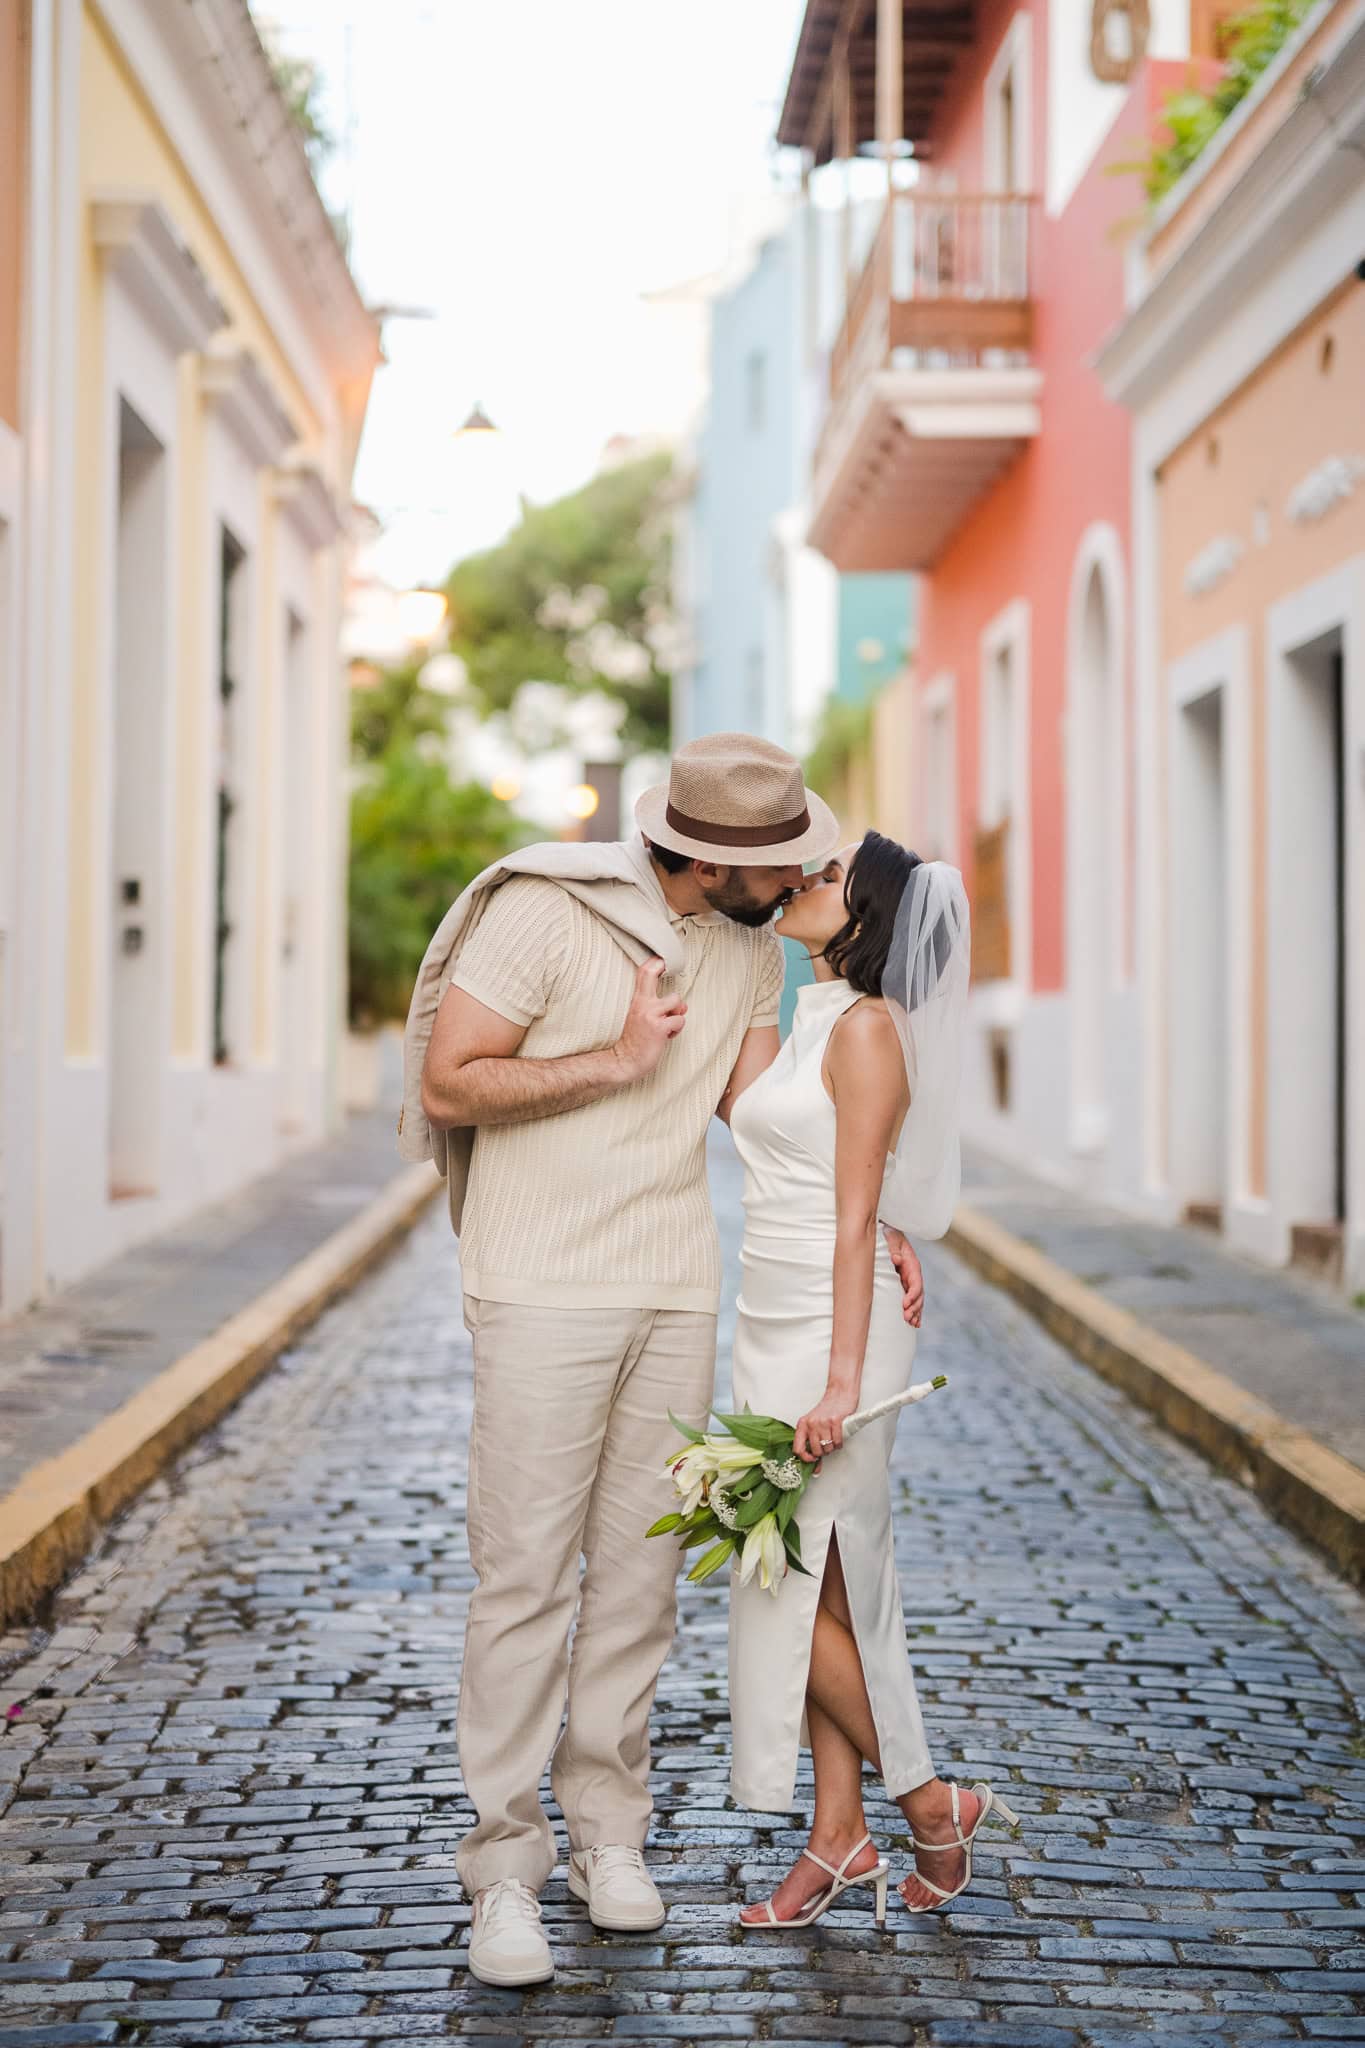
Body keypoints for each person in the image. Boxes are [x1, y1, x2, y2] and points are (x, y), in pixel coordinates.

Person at [400, 736, 925, 1987]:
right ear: (704, 856)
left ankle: (609, 1837)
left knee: (639, 1581)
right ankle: (507, 1871)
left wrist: (879, 1210)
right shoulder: (541, 912)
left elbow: (761, 1114)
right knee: (525, 1578)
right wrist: (620, 1062)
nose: (797, 873)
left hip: (677, 1289)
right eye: (776, 859)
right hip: (538, 1283)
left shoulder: (748, 950)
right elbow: (447, 1079)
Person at [722, 832, 1021, 1926]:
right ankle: (839, 1838)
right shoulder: (810, 1013)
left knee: (781, 1571)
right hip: (771, 1312)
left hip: (830, 1327)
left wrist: (842, 1379)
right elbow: (753, 1122)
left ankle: (927, 1800)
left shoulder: (869, 1031)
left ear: (868, 917)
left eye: (831, 873)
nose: (805, 878)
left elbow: (851, 1220)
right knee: (823, 1583)